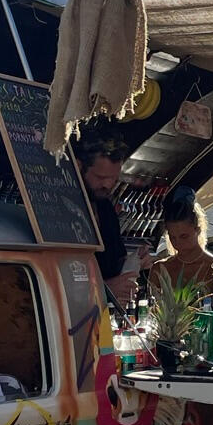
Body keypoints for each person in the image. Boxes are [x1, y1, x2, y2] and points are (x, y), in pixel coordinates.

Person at [78, 129, 137, 311]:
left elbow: (113, 261)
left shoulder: (106, 209)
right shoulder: (61, 211)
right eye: (101, 177)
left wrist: (134, 262)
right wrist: (106, 289)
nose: (108, 185)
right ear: (79, 167)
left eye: (114, 178)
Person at [149, 193, 213, 307]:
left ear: (198, 230)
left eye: (184, 236)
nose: (178, 243)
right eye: (173, 237)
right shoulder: (160, 269)